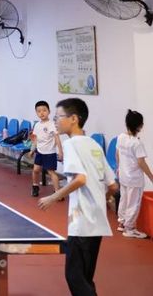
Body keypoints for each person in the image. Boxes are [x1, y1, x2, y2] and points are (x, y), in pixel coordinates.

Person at [38, 98, 118, 296]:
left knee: (75, 277)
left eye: (58, 117)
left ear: (74, 119)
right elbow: (113, 185)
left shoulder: (71, 144)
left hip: (82, 223)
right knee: (85, 278)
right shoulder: (94, 145)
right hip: (97, 222)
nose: (55, 121)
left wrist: (53, 197)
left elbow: (80, 178)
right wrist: (103, 198)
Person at [117, 110, 153, 238]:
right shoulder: (137, 143)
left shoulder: (121, 137)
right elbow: (141, 162)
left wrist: (119, 168)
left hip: (123, 175)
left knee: (124, 199)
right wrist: (151, 177)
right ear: (139, 126)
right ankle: (130, 229)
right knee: (133, 203)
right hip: (134, 179)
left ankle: (121, 223)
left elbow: (117, 153)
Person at [30, 100, 62, 197]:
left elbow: (57, 138)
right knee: (35, 170)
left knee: (51, 172)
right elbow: (35, 139)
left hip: (50, 153)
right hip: (39, 152)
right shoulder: (37, 125)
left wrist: (60, 151)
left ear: (49, 111)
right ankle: (35, 186)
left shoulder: (52, 124)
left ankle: (58, 193)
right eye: (39, 111)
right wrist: (32, 150)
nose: (42, 113)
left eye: (44, 110)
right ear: (36, 113)